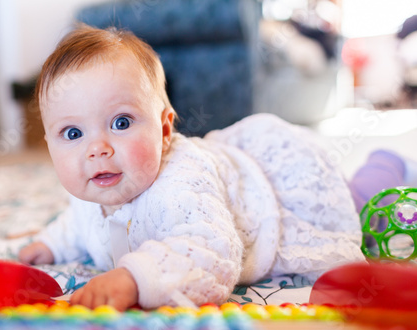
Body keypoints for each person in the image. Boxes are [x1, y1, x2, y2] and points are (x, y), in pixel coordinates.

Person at [19, 24, 370, 311]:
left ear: (165, 129)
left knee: (361, 204)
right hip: (235, 172)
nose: (97, 149)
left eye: (121, 123)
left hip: (276, 194)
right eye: (73, 133)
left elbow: (211, 251)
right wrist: (51, 244)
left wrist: (135, 278)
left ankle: (382, 167)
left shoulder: (180, 182)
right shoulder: (92, 188)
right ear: (49, 144)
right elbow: (78, 225)